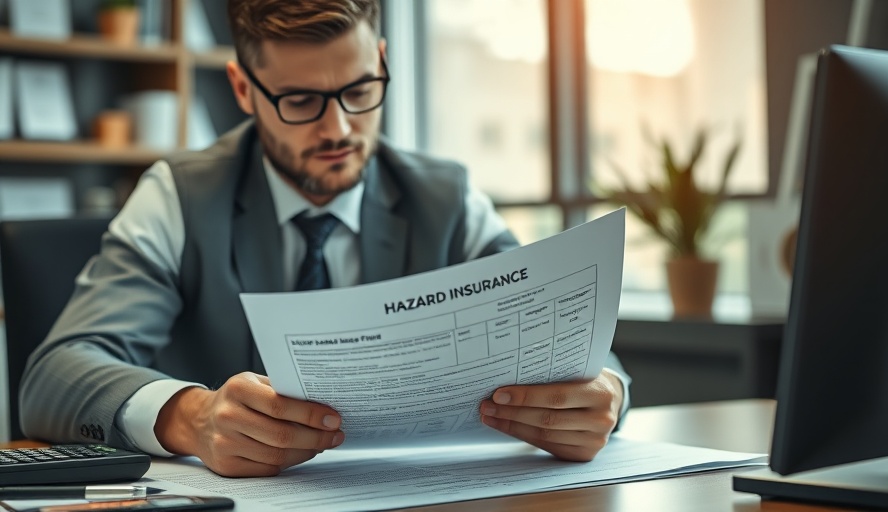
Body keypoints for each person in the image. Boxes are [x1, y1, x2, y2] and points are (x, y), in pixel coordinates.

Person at [21, 0, 630, 478]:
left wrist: (606, 395)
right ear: (241, 88)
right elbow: (53, 375)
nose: (338, 128)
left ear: (383, 59)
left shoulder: (446, 197)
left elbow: (576, 350)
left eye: (361, 91)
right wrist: (191, 417)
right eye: (301, 101)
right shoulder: (179, 196)